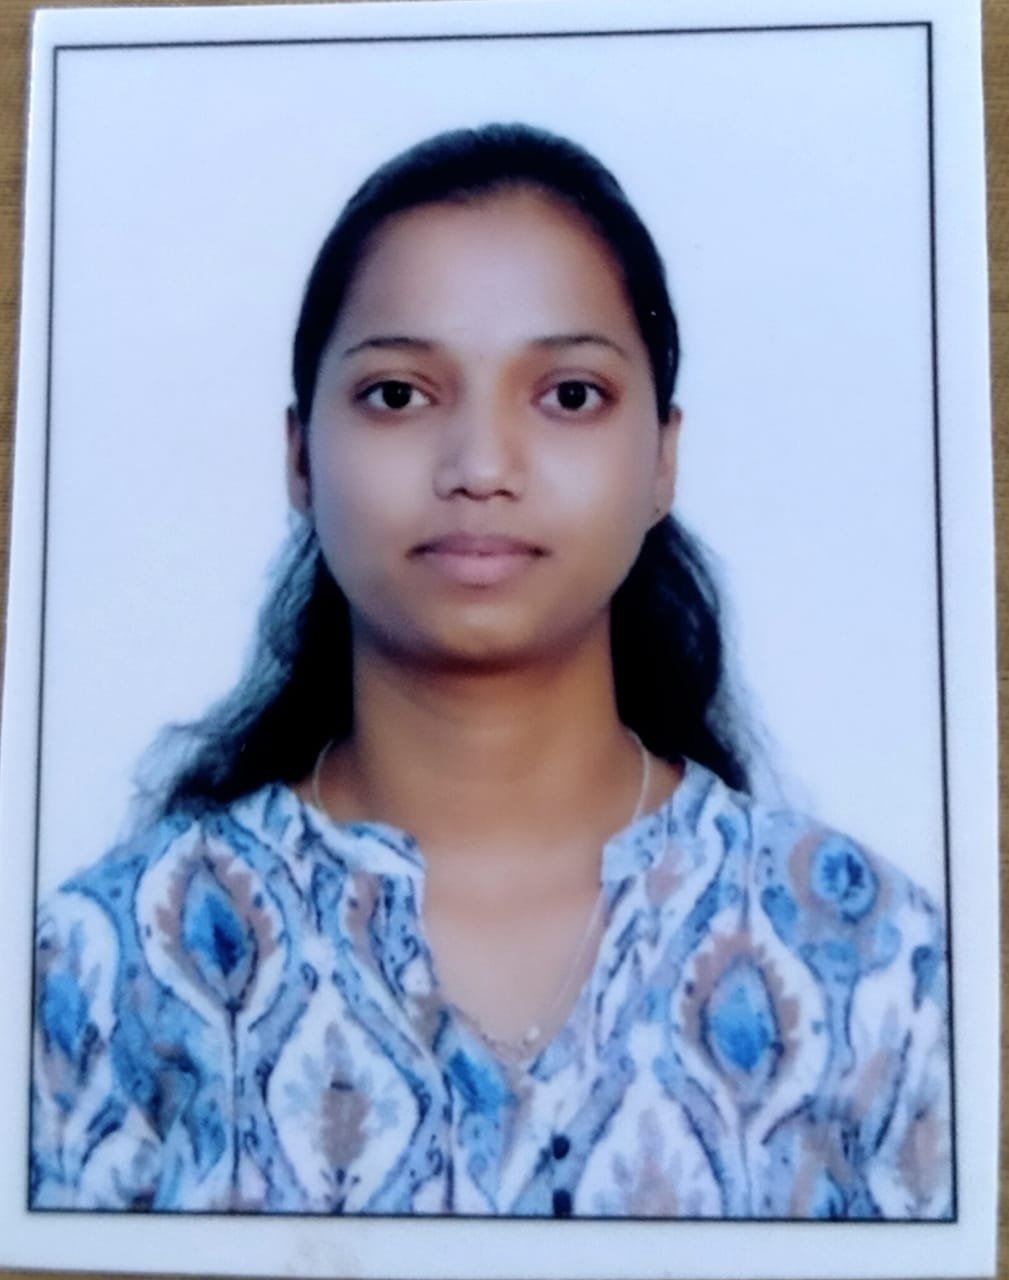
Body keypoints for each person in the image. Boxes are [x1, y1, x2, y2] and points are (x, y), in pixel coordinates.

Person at [31, 123, 951, 1218]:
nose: (479, 468)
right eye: (397, 394)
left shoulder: (879, 961)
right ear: (299, 455)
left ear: (663, 456)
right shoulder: (101, 966)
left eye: (568, 395)